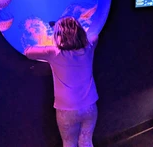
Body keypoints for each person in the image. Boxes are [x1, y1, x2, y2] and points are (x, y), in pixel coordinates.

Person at [25, 16, 99, 147]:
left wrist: (55, 39)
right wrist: (74, 31)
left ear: (58, 35)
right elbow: (94, 35)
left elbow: (28, 51)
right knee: (86, 141)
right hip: (90, 106)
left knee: (69, 143)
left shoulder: (53, 52)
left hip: (67, 110)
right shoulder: (89, 47)